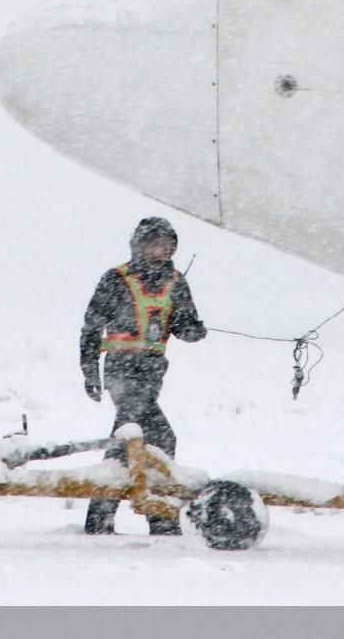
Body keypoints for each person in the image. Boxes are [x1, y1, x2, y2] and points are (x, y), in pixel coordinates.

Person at [79, 216, 207, 535]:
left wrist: (193, 330)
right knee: (157, 438)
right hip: (121, 369)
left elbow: (184, 325)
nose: (161, 250)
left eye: (167, 244)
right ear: (138, 245)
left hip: (152, 372)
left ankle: (104, 519)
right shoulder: (116, 278)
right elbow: (91, 328)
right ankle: (160, 519)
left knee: (130, 441)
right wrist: (90, 372)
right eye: (154, 243)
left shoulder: (176, 282)